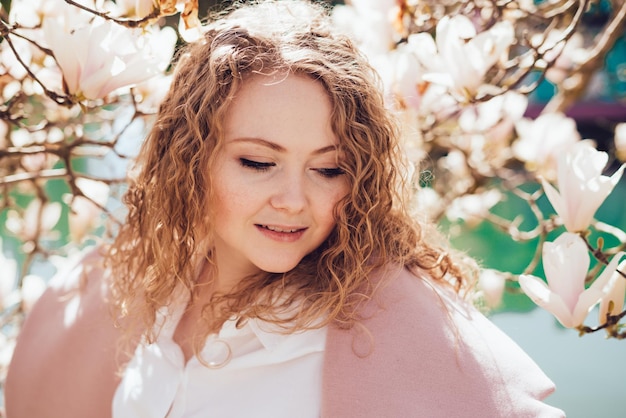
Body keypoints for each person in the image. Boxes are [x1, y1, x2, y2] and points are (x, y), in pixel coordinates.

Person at [5, 1, 565, 417]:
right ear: (190, 159)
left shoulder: (398, 330)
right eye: (257, 162)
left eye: (328, 169)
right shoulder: (133, 286)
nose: (295, 201)